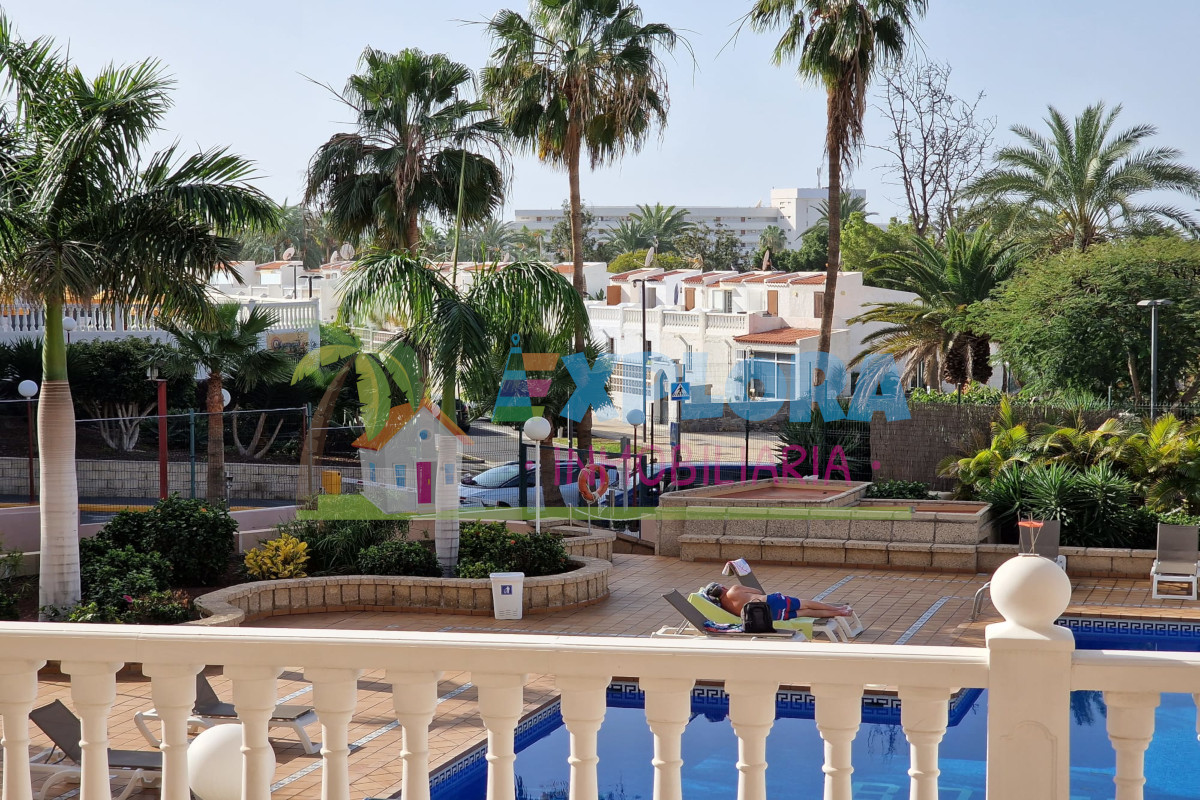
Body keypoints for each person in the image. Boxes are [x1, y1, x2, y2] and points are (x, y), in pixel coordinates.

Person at [701, 582, 852, 620]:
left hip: (769, 615)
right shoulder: (733, 590)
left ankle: (841, 613)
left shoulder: (724, 607)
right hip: (771, 602)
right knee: (805, 603)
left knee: (806, 612)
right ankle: (839, 610)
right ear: (722, 587)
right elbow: (758, 592)